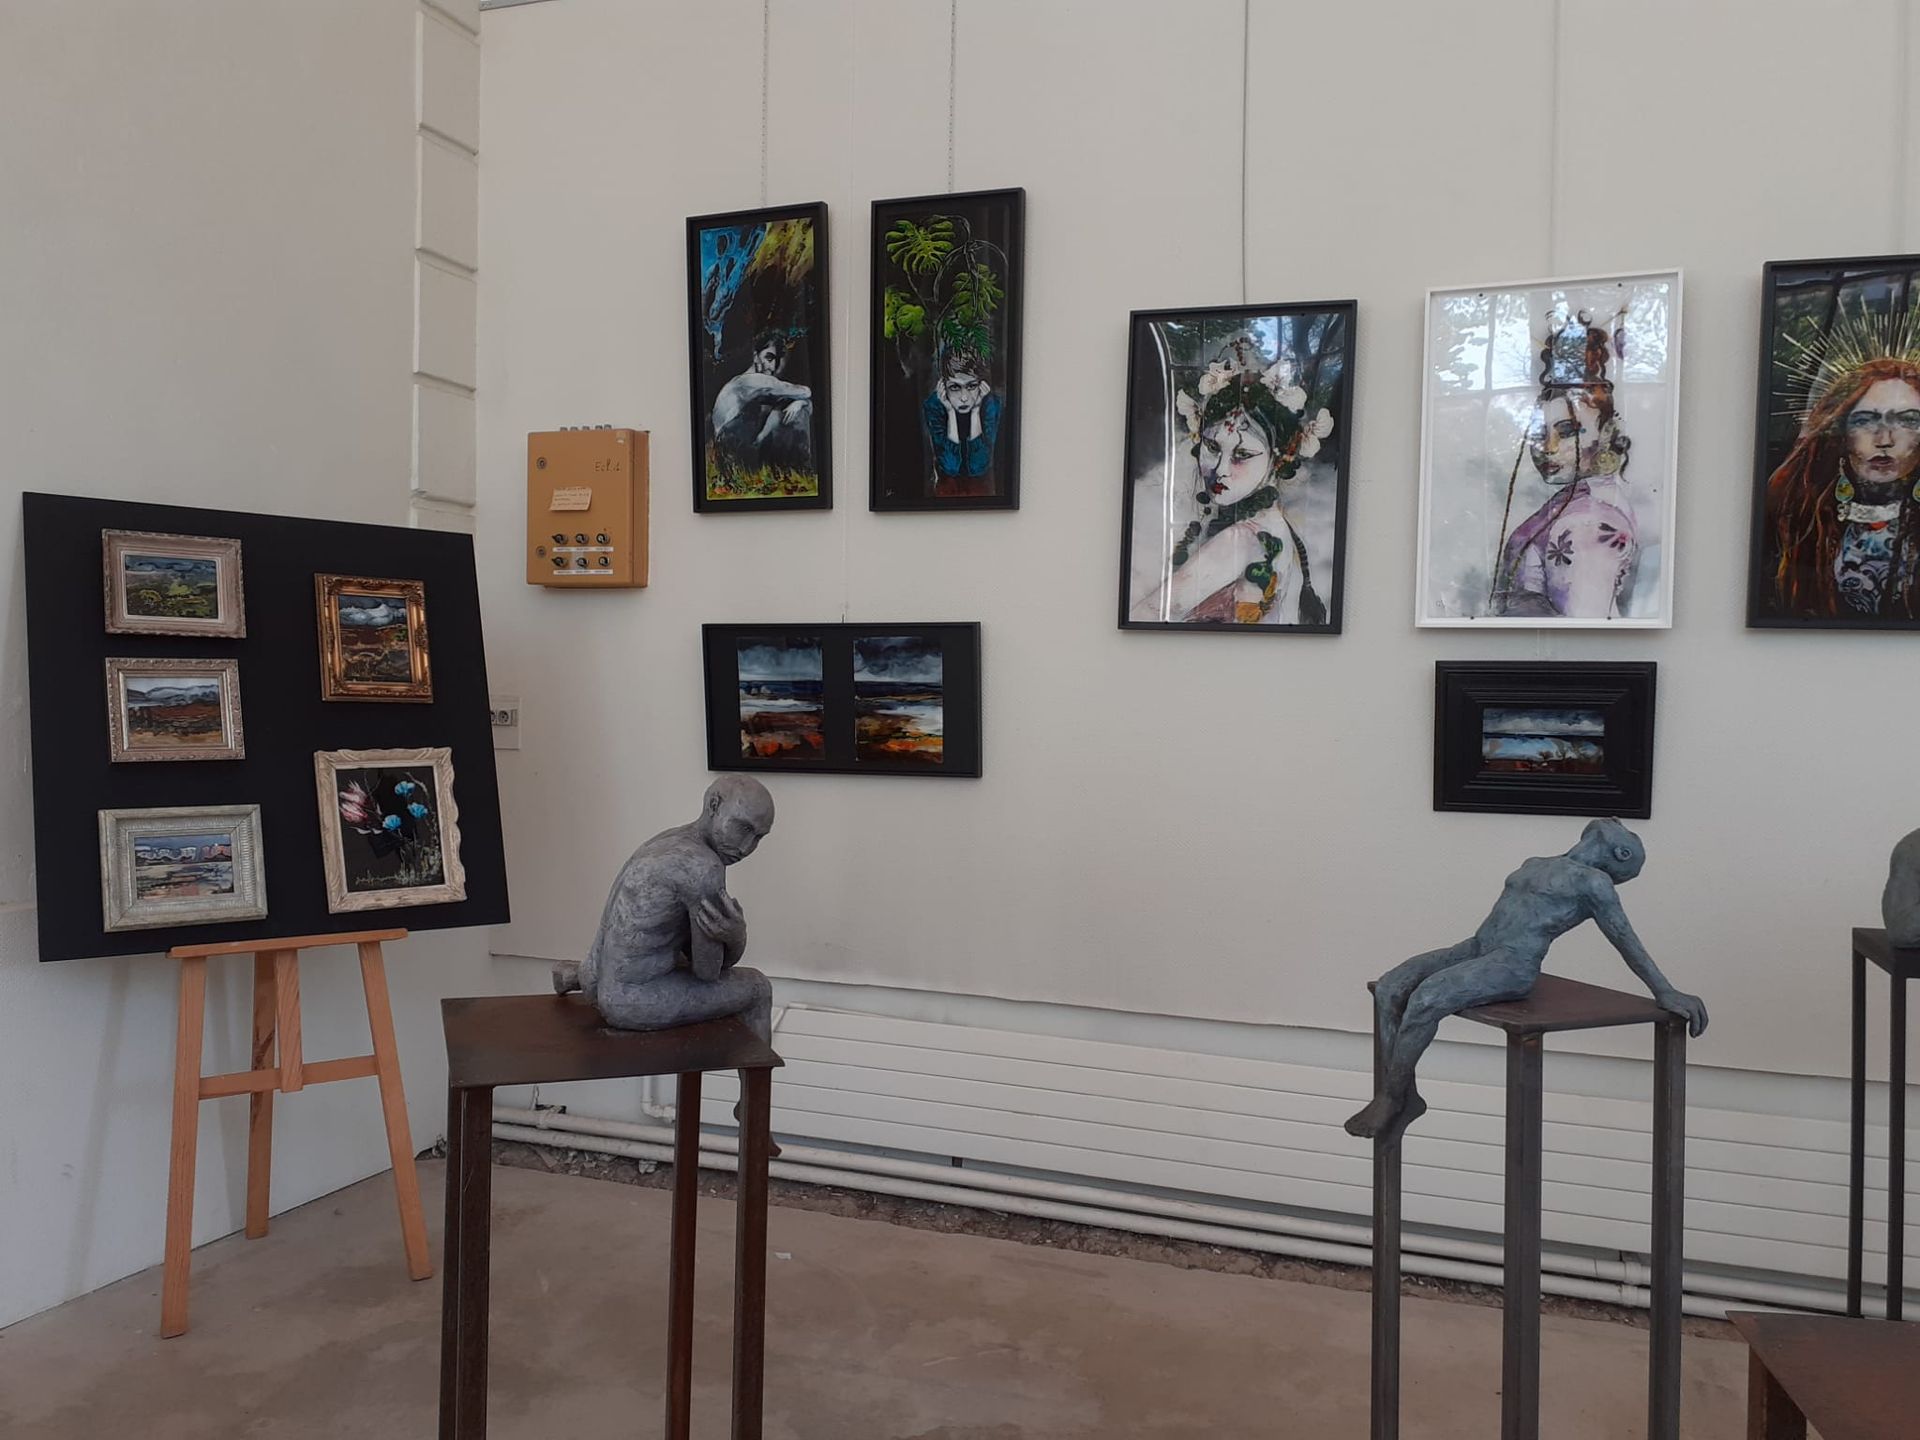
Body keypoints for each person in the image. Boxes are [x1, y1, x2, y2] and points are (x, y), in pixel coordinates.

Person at [1344, 818, 1708, 1144]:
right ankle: (1404, 1093)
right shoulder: (1535, 863)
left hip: (1512, 963)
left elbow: (1624, 938)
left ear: (1621, 854)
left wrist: (1663, 990)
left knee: (1427, 998)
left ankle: (1391, 1097)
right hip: (1477, 947)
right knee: (1391, 986)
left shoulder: (1594, 883)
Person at [554, 775, 776, 1043]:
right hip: (631, 1001)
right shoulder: (703, 867)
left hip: (595, 976)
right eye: (743, 828)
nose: (746, 847)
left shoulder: (669, 839)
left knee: (670, 953)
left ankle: (576, 976)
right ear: (714, 805)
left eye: (758, 838)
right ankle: (757, 1072)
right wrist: (737, 936)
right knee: (758, 987)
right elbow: (708, 972)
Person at [1132, 338, 1332, 626]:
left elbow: (1144, 619)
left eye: (1242, 455)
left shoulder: (1240, 540)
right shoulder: (1276, 526)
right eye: (1213, 448)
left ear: (1279, 459)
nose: (1219, 470)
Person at [1491, 310, 1639, 619]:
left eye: (1568, 431)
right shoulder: (1580, 504)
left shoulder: (1586, 522)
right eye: (1539, 434)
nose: (1548, 448)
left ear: (1606, 433)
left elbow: (1585, 626)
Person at [1761, 342, 1920, 620]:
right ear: (1840, 434)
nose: (1884, 440)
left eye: (1907, 421)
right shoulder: (1800, 518)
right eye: (1865, 421)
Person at [711, 332, 813, 474]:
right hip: (730, 449)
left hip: (730, 448)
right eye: (769, 358)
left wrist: (799, 403)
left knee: (793, 405)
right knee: (790, 410)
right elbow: (806, 391)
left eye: (777, 360)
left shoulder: (748, 384)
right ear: (755, 356)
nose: (773, 366)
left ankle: (793, 468)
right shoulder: (751, 381)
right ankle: (800, 467)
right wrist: (801, 402)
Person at [922, 345, 1003, 497]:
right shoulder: (934, 405)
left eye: (971, 386)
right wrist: (950, 412)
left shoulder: (991, 404)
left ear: (981, 384)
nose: (964, 397)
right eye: (955, 387)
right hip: (944, 491)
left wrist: (976, 410)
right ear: (943, 386)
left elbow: (978, 466)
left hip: (985, 492)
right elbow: (950, 466)